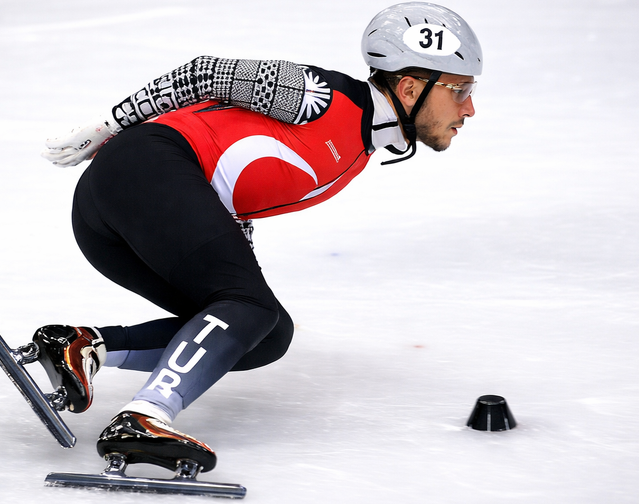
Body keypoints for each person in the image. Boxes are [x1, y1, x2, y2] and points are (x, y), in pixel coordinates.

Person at [36, 2, 482, 472]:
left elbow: (227, 201)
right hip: (144, 168)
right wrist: (112, 123)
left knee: (265, 333)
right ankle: (145, 416)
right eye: (461, 90)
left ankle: (82, 346)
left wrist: (246, 306)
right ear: (410, 87)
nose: (469, 108)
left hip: (117, 213)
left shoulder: (356, 151)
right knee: (251, 308)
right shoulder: (322, 97)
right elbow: (205, 73)